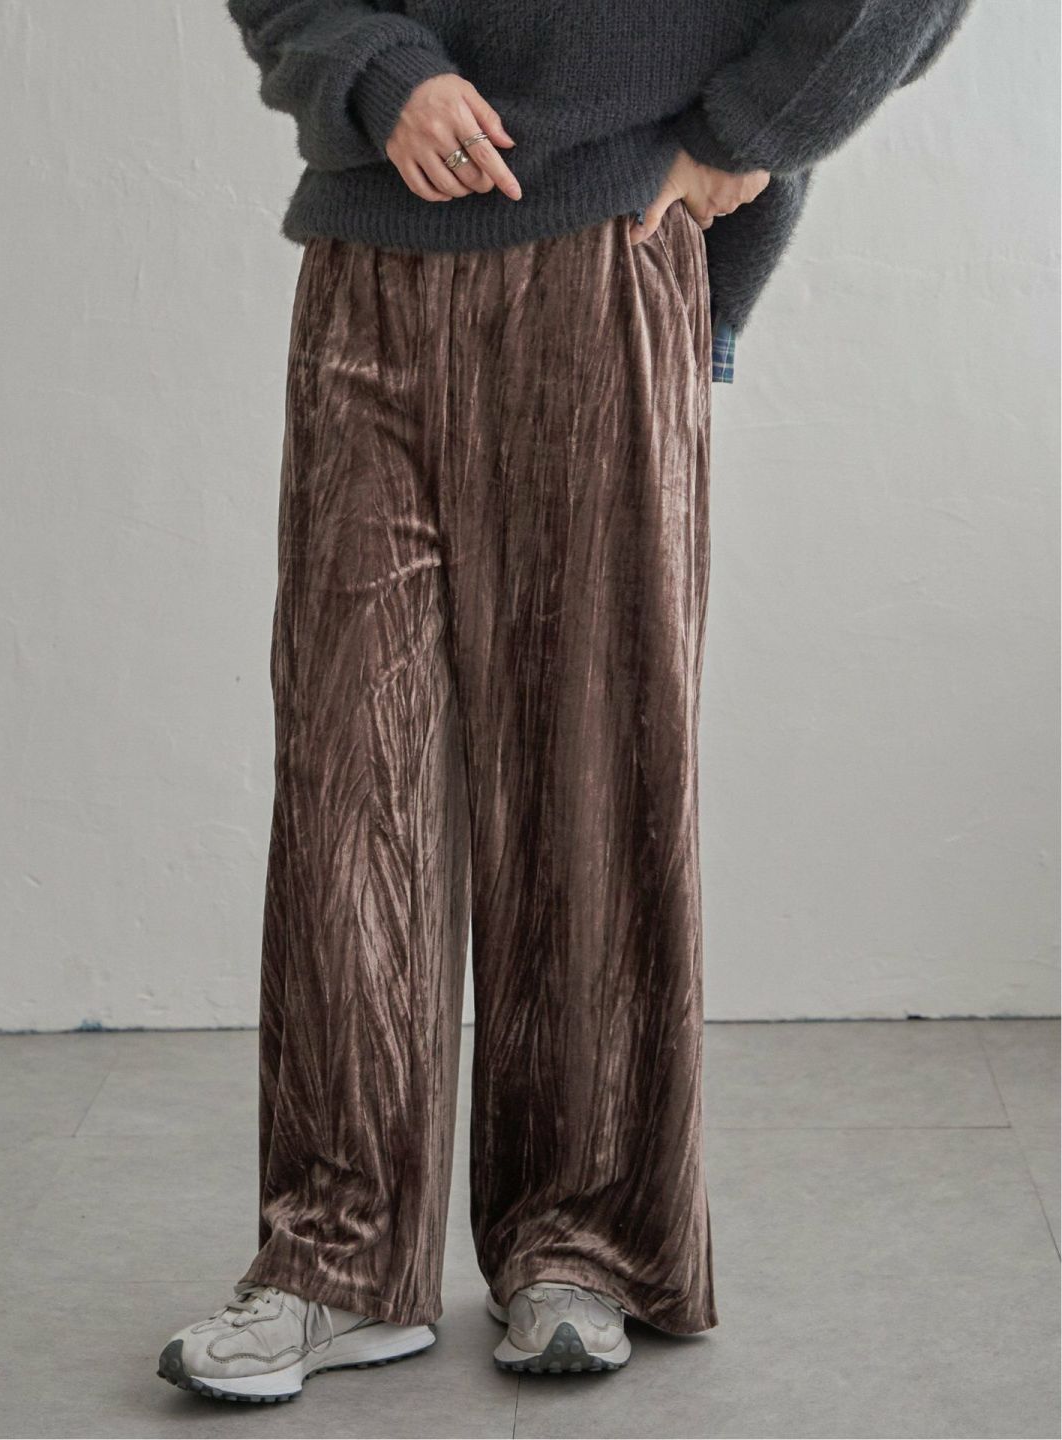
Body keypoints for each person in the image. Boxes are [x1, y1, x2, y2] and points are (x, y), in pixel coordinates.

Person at [157, 0, 973, 1405]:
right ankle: (336, 1258)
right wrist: (375, 73)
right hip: (372, 260)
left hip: (607, 244)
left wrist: (750, 139)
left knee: (588, 778)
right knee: (351, 786)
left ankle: (580, 1244)